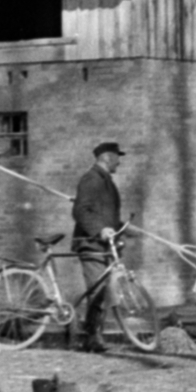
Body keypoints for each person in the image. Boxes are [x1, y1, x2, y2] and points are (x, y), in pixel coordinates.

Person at [72, 141, 126, 352]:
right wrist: (99, 230)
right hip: (91, 243)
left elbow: (106, 216)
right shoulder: (91, 179)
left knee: (105, 291)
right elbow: (81, 211)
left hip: (103, 244)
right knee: (97, 292)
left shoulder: (105, 181)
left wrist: (124, 228)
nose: (119, 162)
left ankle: (94, 336)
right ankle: (91, 338)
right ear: (106, 158)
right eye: (117, 157)